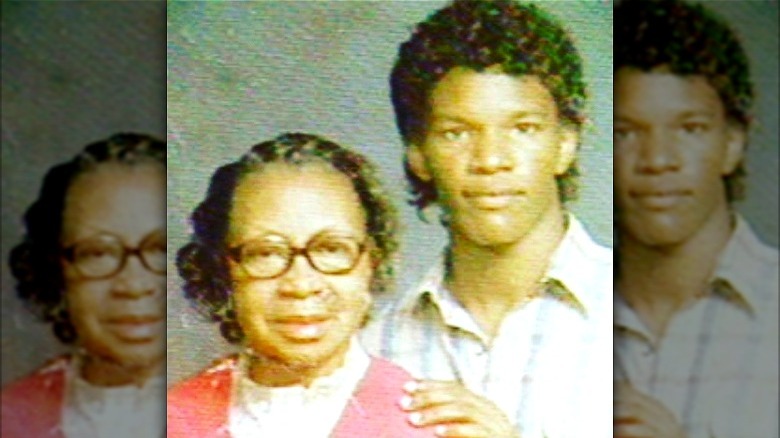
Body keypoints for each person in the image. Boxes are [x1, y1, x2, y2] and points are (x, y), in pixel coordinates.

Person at [360, 1, 613, 437]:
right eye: (456, 133)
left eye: (522, 128)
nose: (491, 160)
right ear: (418, 155)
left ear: (565, 144)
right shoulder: (373, 351)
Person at [167, 133, 437, 438]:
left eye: (331, 249)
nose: (301, 285)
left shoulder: (431, 424)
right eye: (266, 253)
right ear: (222, 269)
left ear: (372, 261)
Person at [613, 1, 779, 437]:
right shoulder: (568, 316)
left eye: (690, 129)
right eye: (625, 132)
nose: (658, 160)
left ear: (733, 143)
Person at [1, 134, 166, 438]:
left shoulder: (254, 416)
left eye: (161, 249)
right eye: (98, 253)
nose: (133, 286)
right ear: (55, 270)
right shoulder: (12, 420)